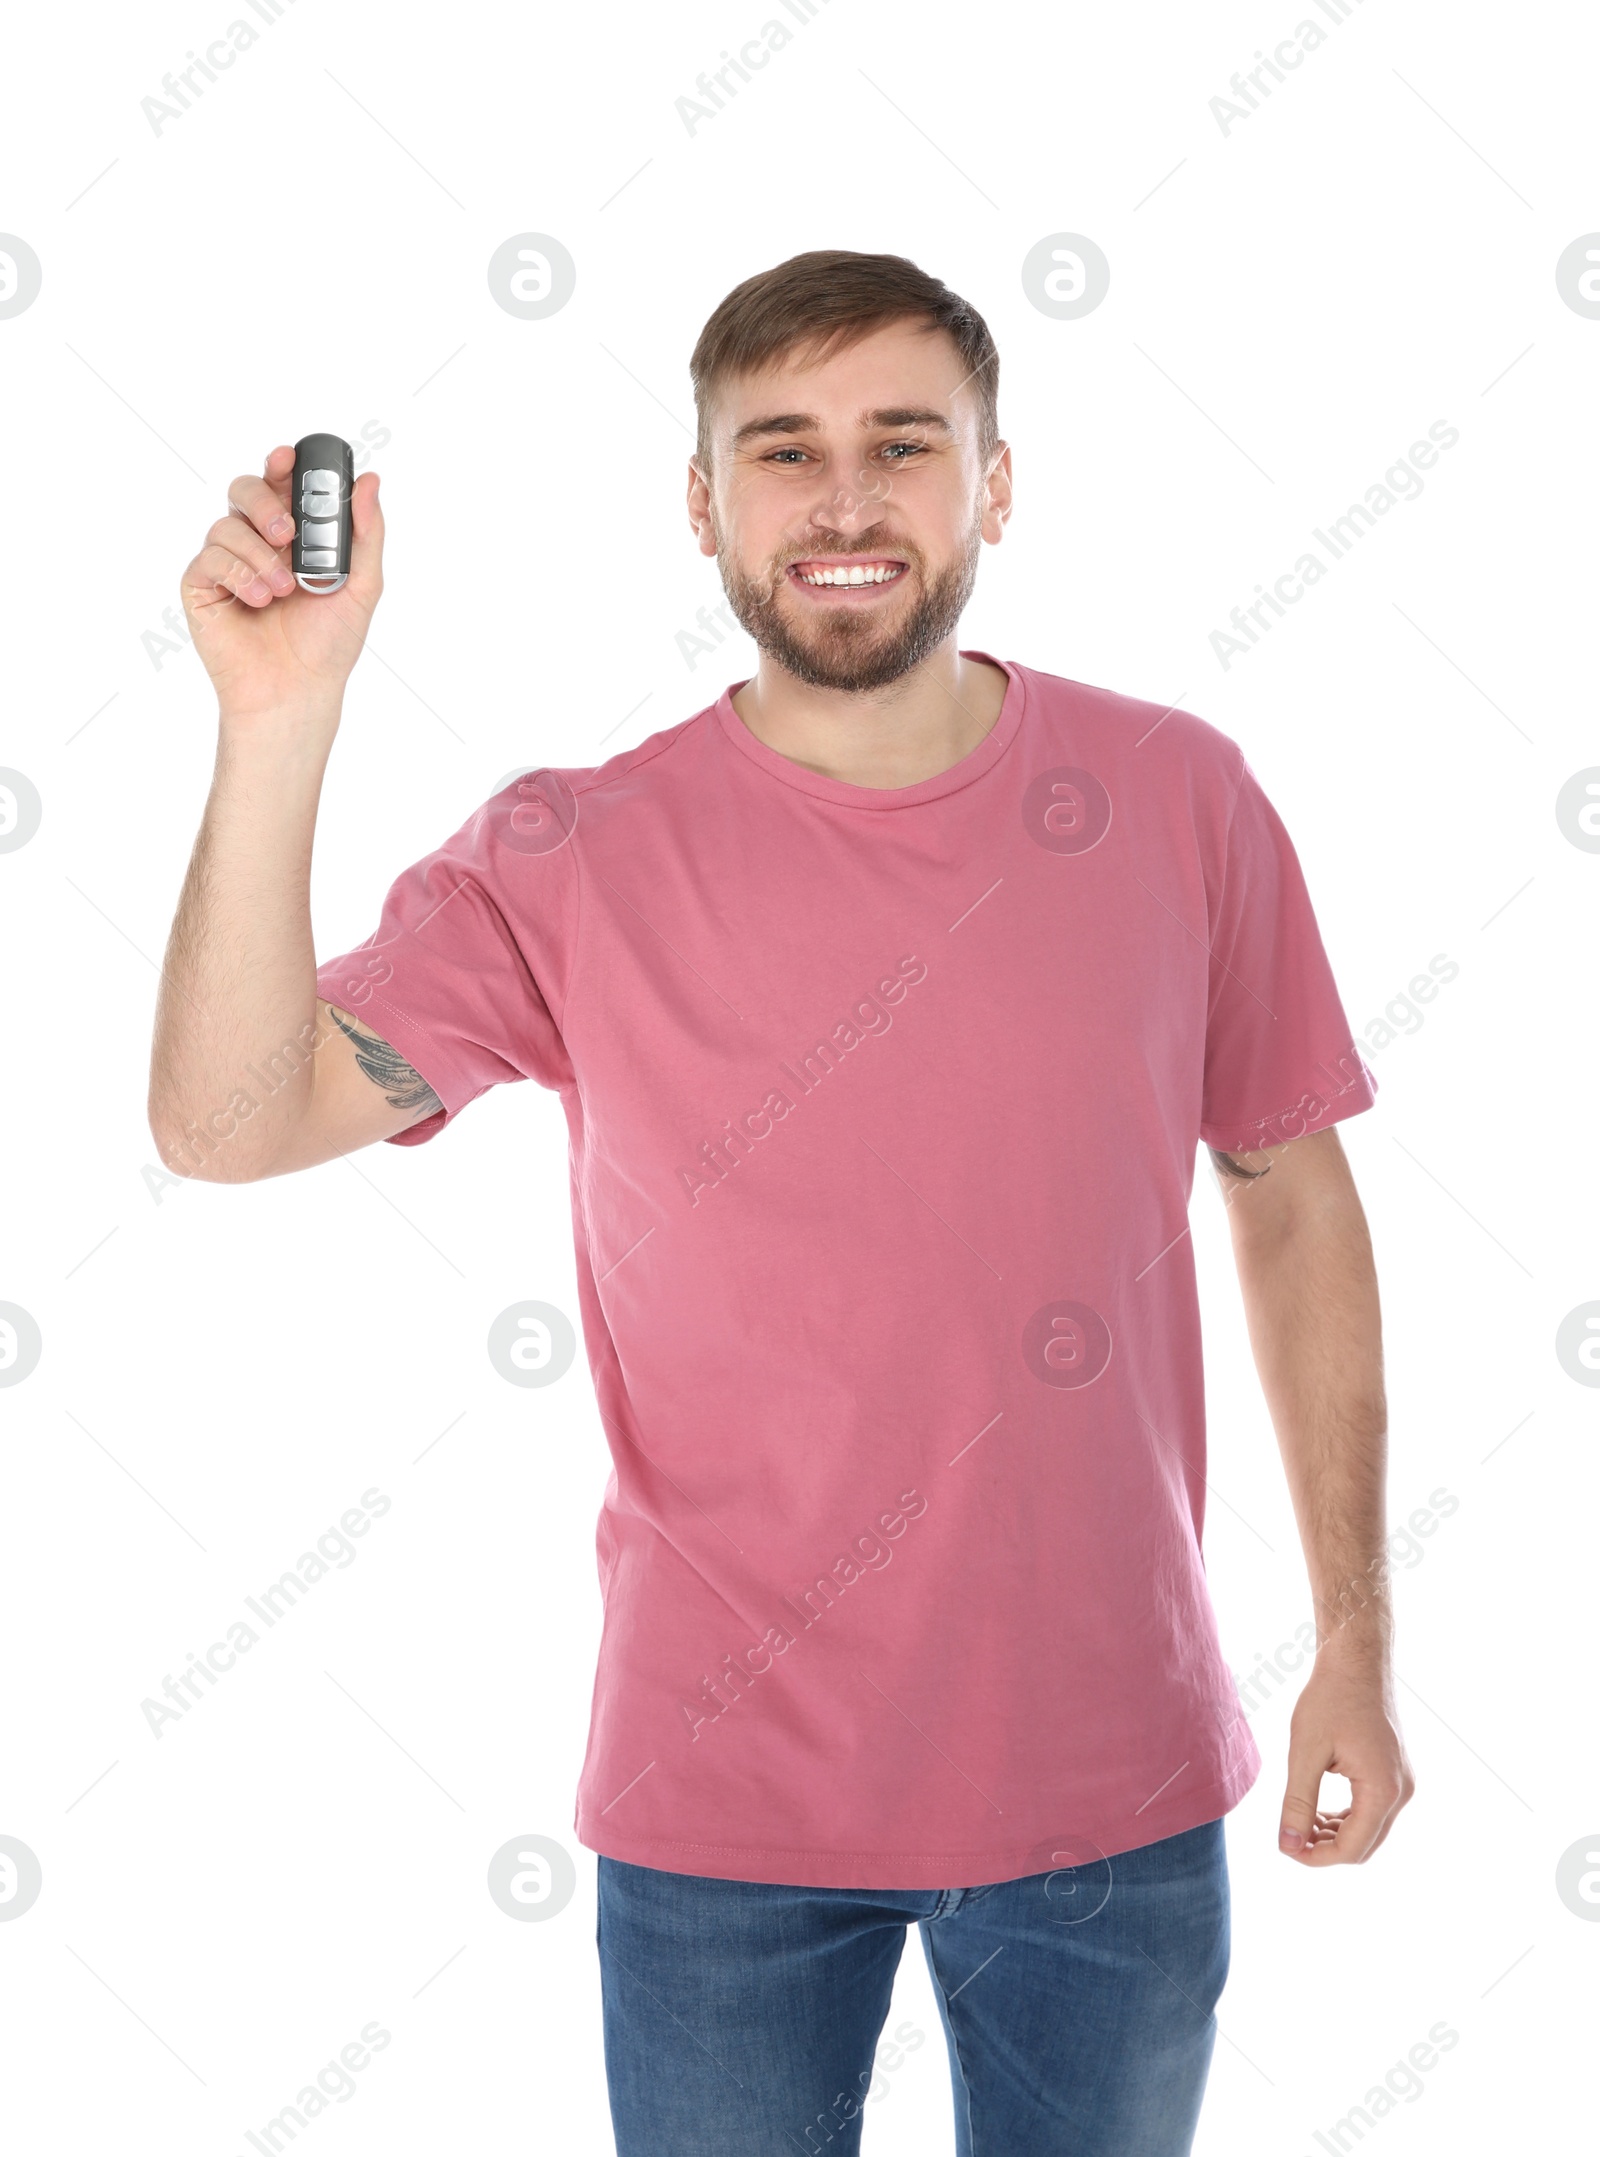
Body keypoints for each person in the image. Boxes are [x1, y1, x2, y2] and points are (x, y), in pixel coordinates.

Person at [150, 249, 1415, 2156]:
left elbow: (1295, 1197)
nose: (844, 501)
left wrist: (1358, 1636)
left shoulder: (1177, 797)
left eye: (904, 446)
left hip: (1113, 1790)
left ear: (995, 485)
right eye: (784, 451)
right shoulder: (572, 852)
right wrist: (278, 717)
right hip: (718, 1808)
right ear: (703, 501)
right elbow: (228, 1124)